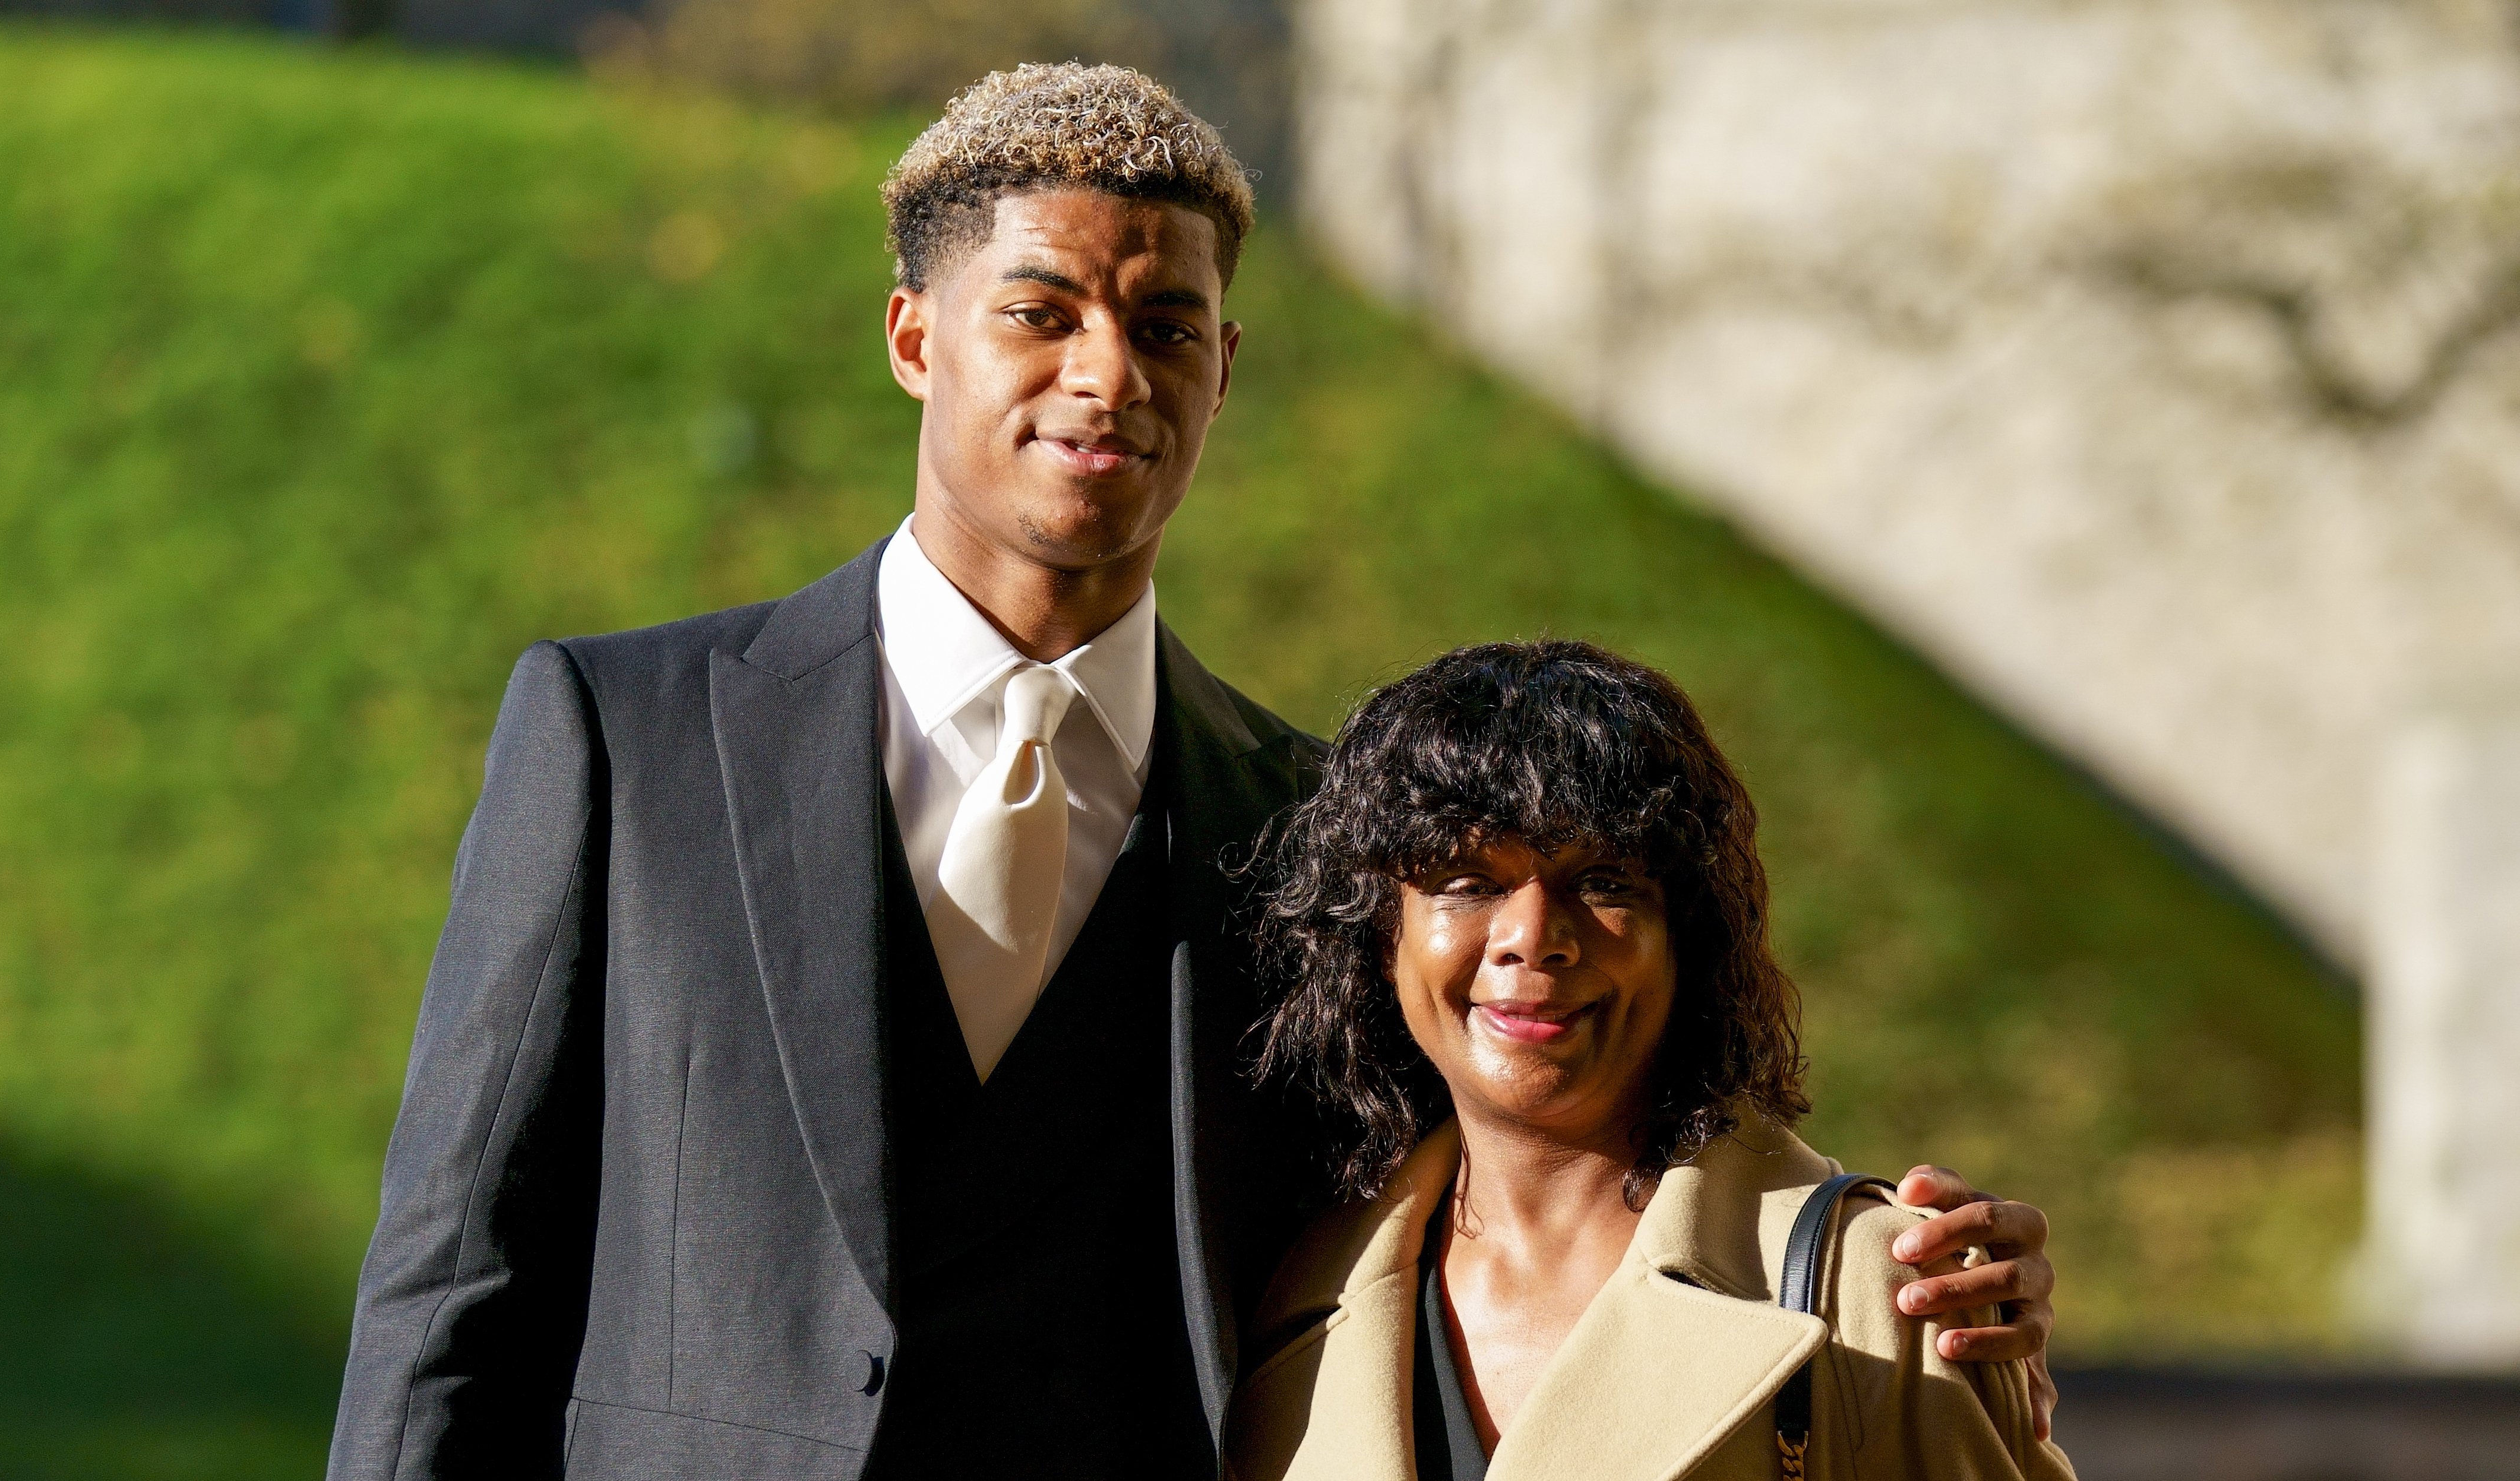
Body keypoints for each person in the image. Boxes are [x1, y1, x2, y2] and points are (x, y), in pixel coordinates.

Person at [325, 65, 2057, 1481]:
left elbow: (1527, 1152)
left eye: (1165, 325)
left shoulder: (1314, 828)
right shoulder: (625, 734)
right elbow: (452, 1277)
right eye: (1043, 310)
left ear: (1220, 369)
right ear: (916, 338)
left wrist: (1879, 1276)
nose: (1107, 373)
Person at [1227, 641, 2076, 1481]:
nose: (1533, 938)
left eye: (1603, 879)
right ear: (1383, 938)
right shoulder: (1284, 1304)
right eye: (1466, 881)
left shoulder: (1877, 1289)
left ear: (1686, 939)